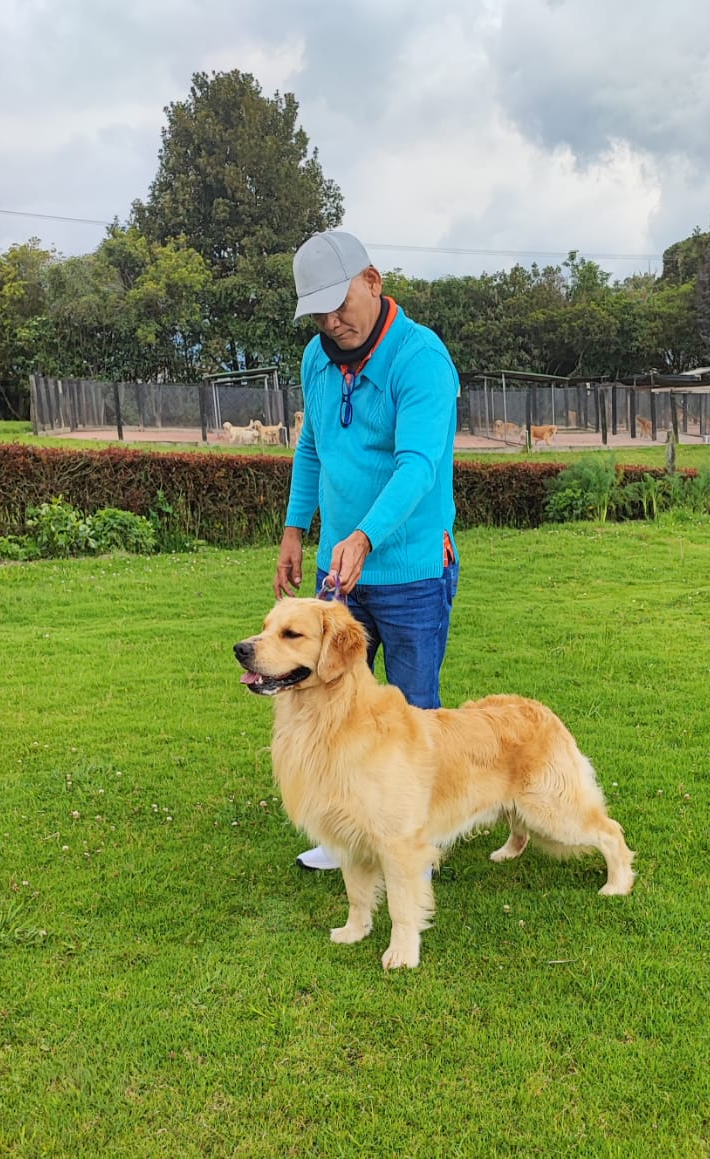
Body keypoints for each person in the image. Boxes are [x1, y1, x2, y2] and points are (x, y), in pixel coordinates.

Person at [275, 230, 461, 871]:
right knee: (330, 702)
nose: (333, 321)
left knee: (410, 713)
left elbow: (418, 466)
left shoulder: (422, 360)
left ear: (374, 281)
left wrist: (364, 535)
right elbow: (313, 446)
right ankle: (344, 834)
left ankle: (415, 840)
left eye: (341, 304)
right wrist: (297, 528)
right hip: (340, 573)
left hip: (409, 570)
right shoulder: (316, 359)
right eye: (318, 311)